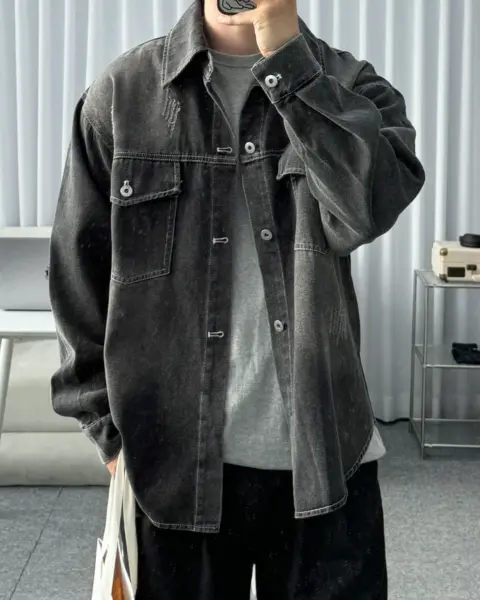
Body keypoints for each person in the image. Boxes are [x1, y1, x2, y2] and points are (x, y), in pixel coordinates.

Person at [49, 0, 425, 598]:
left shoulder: (351, 85)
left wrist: (290, 65)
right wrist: (106, 427)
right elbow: (78, 272)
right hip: (168, 465)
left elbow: (362, 212)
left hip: (326, 457)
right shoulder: (123, 93)